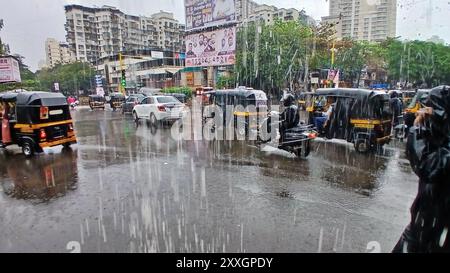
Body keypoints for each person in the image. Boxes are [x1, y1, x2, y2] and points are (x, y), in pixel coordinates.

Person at [393, 85, 450, 253]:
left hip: (432, 233)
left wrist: (417, 130)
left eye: (428, 108)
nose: (423, 113)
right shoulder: (440, 137)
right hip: (426, 228)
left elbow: (428, 165)